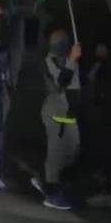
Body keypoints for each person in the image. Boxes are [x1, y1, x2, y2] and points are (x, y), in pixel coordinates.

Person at [32, 28, 84, 211]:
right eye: (58, 41)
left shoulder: (70, 59)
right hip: (55, 112)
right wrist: (72, 60)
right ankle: (51, 191)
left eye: (64, 40)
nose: (62, 43)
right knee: (56, 152)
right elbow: (61, 82)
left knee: (71, 149)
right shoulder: (49, 62)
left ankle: (42, 178)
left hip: (69, 112)